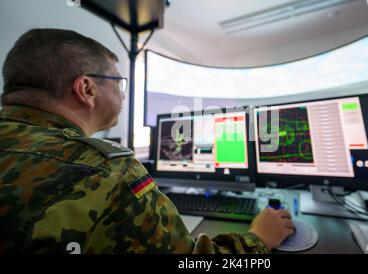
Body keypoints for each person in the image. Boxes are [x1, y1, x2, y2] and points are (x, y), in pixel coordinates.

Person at [0, 28, 295, 253]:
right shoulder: (110, 172)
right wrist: (259, 239)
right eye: (119, 82)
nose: (124, 94)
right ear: (86, 89)